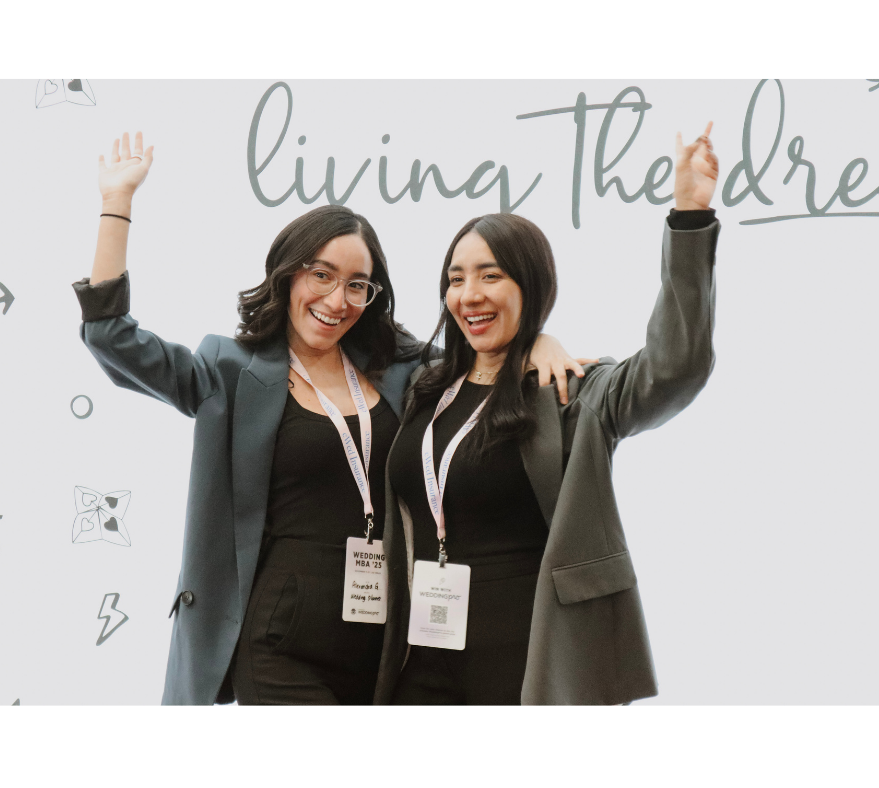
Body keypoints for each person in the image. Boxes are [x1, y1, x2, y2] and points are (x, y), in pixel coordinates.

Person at [72, 132, 586, 705]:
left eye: (356, 285)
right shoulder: (229, 370)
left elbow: (481, 356)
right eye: (321, 275)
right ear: (288, 273)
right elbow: (111, 337)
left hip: (384, 644)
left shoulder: (405, 369)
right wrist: (116, 204)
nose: (336, 299)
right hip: (277, 638)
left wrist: (539, 339)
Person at [375, 124, 721, 706]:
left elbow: (676, 366)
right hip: (420, 662)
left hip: (531, 664)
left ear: (530, 286)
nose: (469, 294)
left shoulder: (574, 391)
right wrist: (533, 339)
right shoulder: (424, 386)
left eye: (491, 275)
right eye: (456, 279)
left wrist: (688, 216)